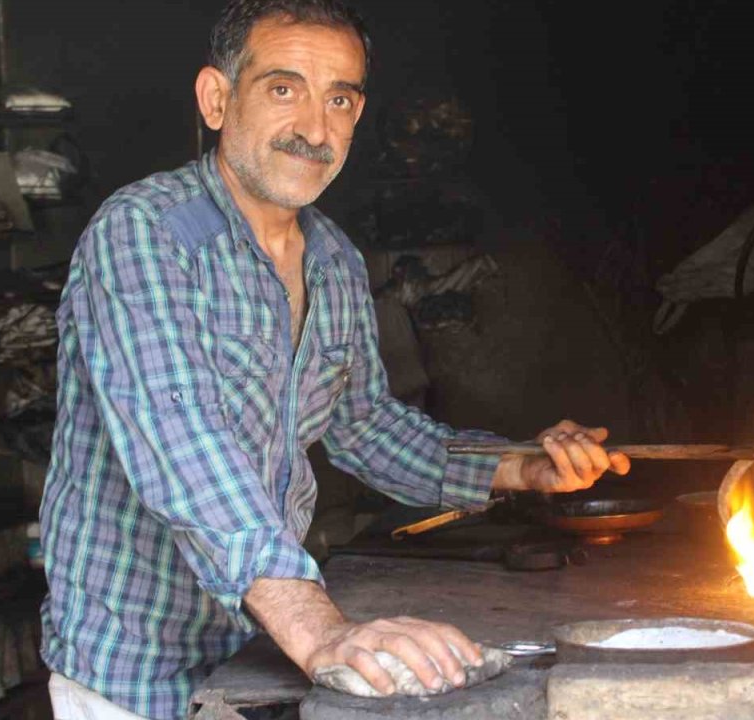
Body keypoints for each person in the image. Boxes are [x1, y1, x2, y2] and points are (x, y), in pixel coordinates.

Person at [37, 1, 631, 718]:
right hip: (133, 669)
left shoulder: (334, 259)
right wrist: (319, 627)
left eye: (340, 99)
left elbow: (363, 424)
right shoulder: (144, 234)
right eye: (283, 89)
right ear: (217, 99)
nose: (315, 129)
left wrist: (517, 465)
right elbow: (180, 439)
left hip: (257, 656)